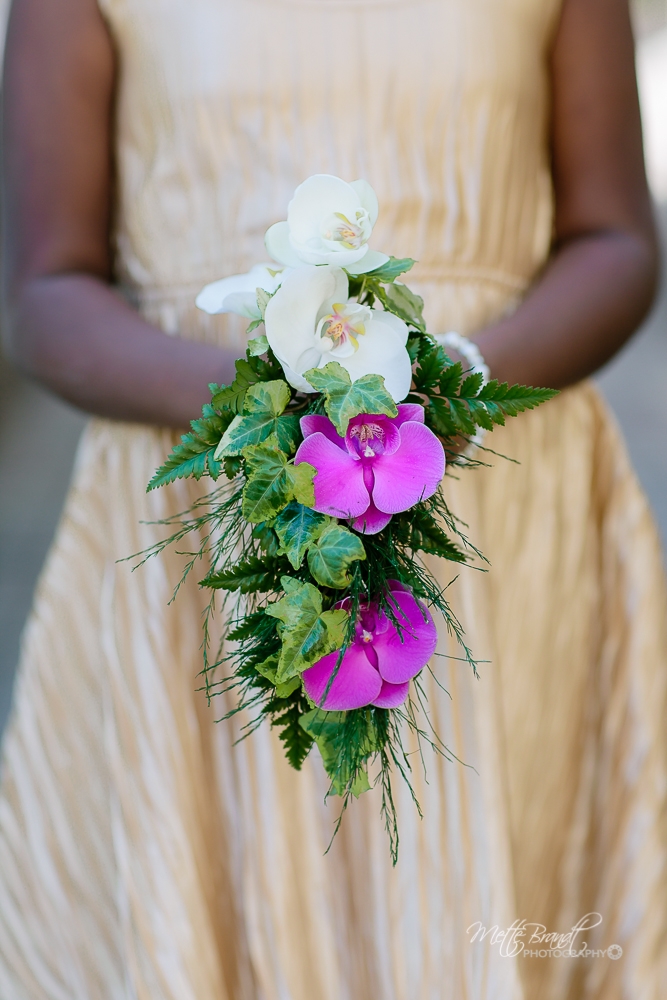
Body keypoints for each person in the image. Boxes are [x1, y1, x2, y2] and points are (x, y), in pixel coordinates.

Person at [1, 0, 666, 995]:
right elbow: (45, 291)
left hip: (504, 522)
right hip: (211, 532)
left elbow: (615, 239)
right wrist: (271, 413)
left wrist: (450, 390)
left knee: (506, 905)